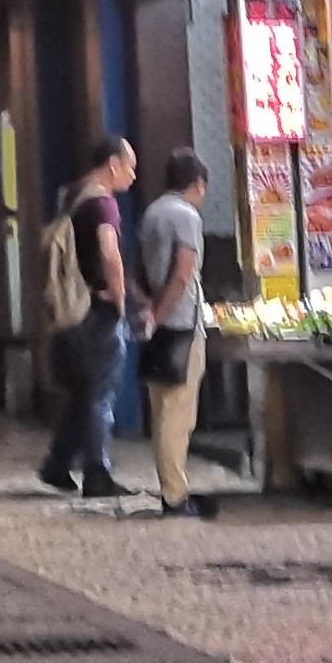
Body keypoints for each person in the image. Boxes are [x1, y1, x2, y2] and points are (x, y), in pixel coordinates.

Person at [37, 136, 137, 500]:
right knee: (99, 394)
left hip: (69, 309)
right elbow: (109, 253)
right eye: (130, 167)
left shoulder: (71, 195)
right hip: (95, 311)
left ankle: (57, 464)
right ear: (113, 164)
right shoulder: (103, 203)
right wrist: (120, 298)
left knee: (83, 393)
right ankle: (97, 473)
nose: (133, 175)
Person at [136, 149, 211, 516]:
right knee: (179, 415)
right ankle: (175, 494)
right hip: (181, 323)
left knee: (162, 409)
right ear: (197, 183)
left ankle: (170, 486)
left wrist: (149, 312)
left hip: (158, 323)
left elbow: (139, 268)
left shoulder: (152, 213)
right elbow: (183, 274)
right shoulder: (186, 216)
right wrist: (161, 314)